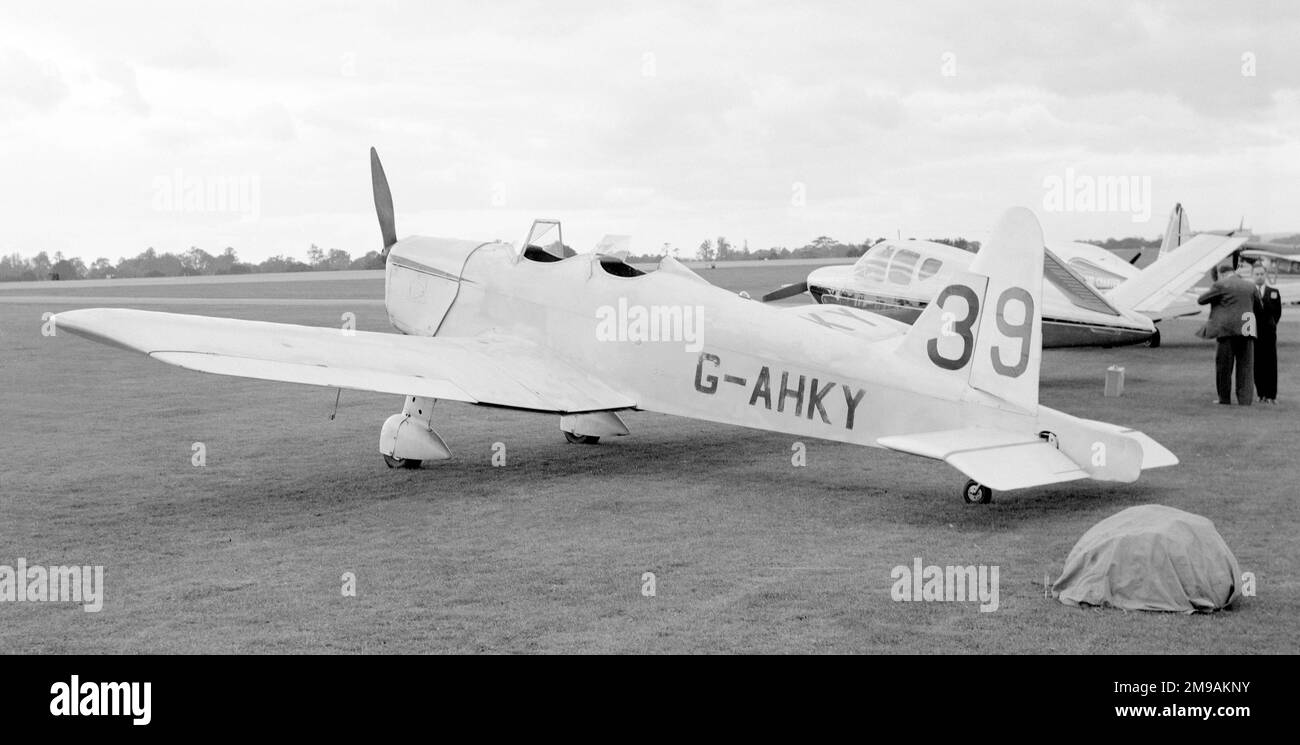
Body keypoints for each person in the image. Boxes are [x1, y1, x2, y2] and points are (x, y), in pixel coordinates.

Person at [1197, 262, 1260, 405]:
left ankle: (1224, 399)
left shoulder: (1221, 285)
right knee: (1245, 367)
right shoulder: (1250, 286)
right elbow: (1258, 307)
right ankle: (1245, 400)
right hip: (1247, 329)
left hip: (1226, 330)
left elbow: (1201, 300)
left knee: (1224, 367)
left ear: (1221, 274)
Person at [1252, 263, 1283, 403]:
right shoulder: (1250, 292)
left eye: (1261, 274)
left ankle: (1271, 395)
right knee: (1257, 364)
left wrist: (1271, 325)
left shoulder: (1273, 292)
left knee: (1270, 364)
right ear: (1252, 275)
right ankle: (1261, 393)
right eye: (1256, 274)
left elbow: (1277, 313)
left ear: (1265, 275)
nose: (1259, 276)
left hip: (1269, 334)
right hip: (1254, 333)